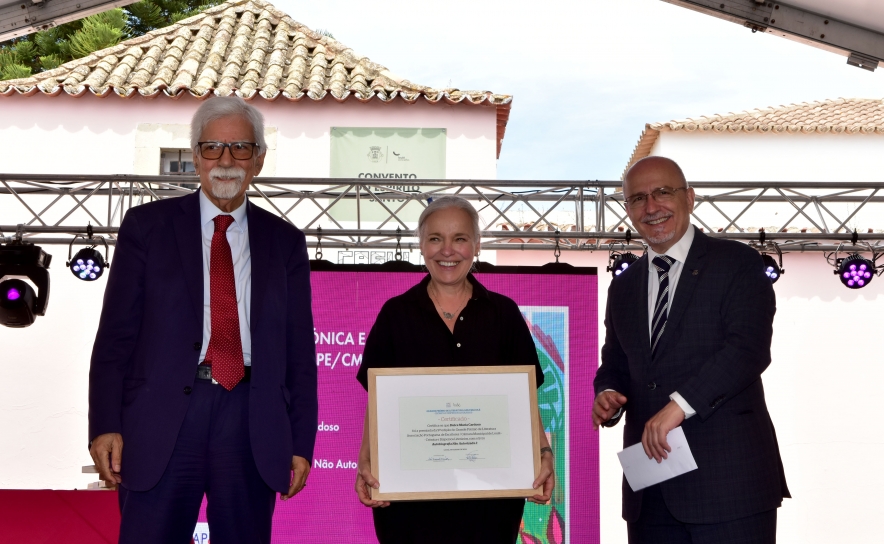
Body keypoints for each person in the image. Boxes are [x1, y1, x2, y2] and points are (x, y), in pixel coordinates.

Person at [87, 96, 317, 543]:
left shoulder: (286, 242)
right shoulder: (145, 227)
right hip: (162, 420)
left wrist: (300, 442)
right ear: (195, 156)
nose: (226, 160)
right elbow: (115, 337)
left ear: (259, 160)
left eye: (240, 149)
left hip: (251, 420)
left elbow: (299, 354)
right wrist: (104, 424)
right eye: (212, 148)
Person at [593, 156, 789, 543]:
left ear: (690, 197)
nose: (651, 207)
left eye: (662, 192)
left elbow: (747, 350)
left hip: (730, 487)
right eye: (637, 199)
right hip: (650, 491)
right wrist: (607, 393)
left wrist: (678, 406)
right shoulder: (624, 285)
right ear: (628, 210)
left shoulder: (737, 263)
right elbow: (615, 360)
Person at [353, 195, 555, 544]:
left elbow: (525, 399)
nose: (447, 250)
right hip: (410, 502)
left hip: (490, 499)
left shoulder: (504, 315)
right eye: (435, 239)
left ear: (476, 245)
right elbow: (379, 401)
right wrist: (366, 462)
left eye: (459, 238)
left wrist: (543, 454)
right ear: (422, 245)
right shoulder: (395, 315)